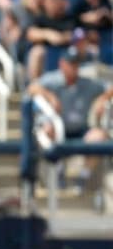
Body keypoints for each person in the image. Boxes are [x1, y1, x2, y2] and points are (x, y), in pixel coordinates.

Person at [22, 46, 113, 192]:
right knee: (47, 130)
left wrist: (102, 99)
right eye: (71, 63)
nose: (74, 67)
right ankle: (57, 172)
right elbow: (31, 88)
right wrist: (50, 96)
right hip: (57, 130)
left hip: (80, 130)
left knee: (99, 136)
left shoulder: (87, 84)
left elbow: (110, 88)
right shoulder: (52, 79)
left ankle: (83, 178)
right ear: (62, 64)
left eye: (76, 63)